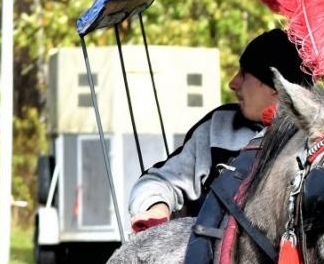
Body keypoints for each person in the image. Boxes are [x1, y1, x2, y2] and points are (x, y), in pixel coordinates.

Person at [127, 28, 313, 232]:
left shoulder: (319, 138)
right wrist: (156, 207)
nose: (233, 83)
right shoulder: (219, 126)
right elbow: (159, 181)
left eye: (244, 73)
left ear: (275, 86)